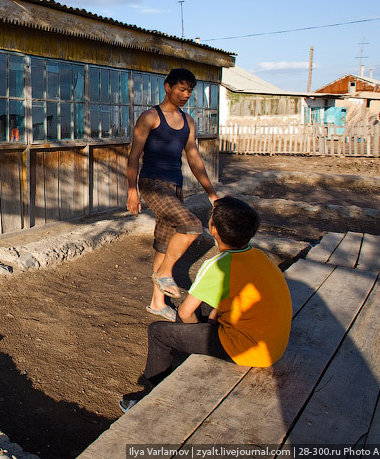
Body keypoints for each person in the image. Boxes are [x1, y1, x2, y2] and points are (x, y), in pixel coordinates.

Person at [120, 196, 292, 412]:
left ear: (214, 230)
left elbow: (184, 312)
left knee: (159, 332)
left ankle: (151, 401)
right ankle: (185, 356)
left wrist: (193, 332)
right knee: (202, 307)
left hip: (248, 349)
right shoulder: (259, 256)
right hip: (274, 346)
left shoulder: (218, 265)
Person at [126, 68, 219, 322]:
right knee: (190, 225)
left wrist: (211, 193)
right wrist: (132, 190)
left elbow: (194, 158)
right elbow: (134, 155)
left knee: (164, 244)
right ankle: (165, 273)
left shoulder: (187, 121)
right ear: (167, 87)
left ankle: (157, 303)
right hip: (152, 183)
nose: (186, 94)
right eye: (182, 89)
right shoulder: (150, 117)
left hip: (175, 186)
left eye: (190, 90)